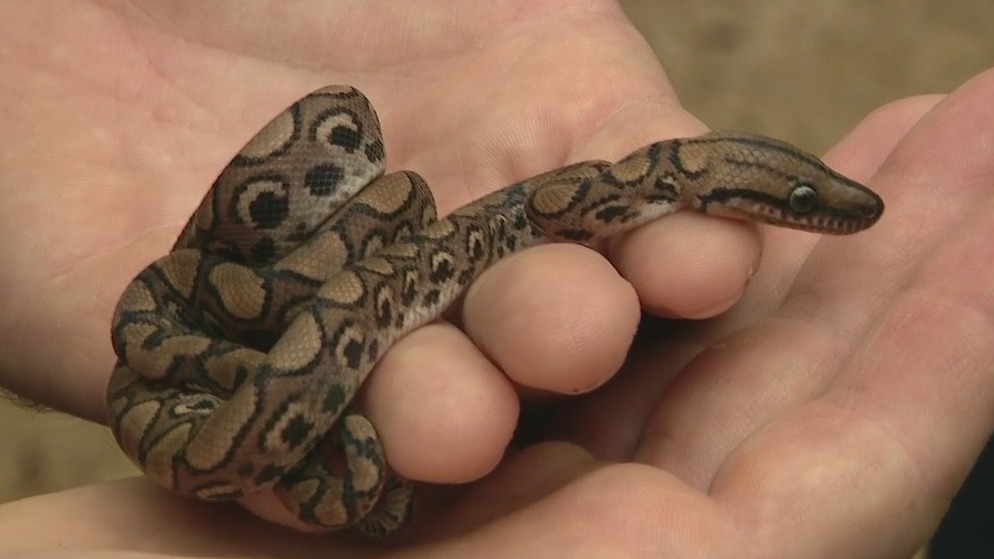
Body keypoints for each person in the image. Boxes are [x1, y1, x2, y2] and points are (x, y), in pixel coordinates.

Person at [0, 2, 991, 556]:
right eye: (808, 203)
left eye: (805, 201)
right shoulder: (578, 202)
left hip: (238, 341)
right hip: (234, 350)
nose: (820, 214)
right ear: (751, 195)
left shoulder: (595, 201)